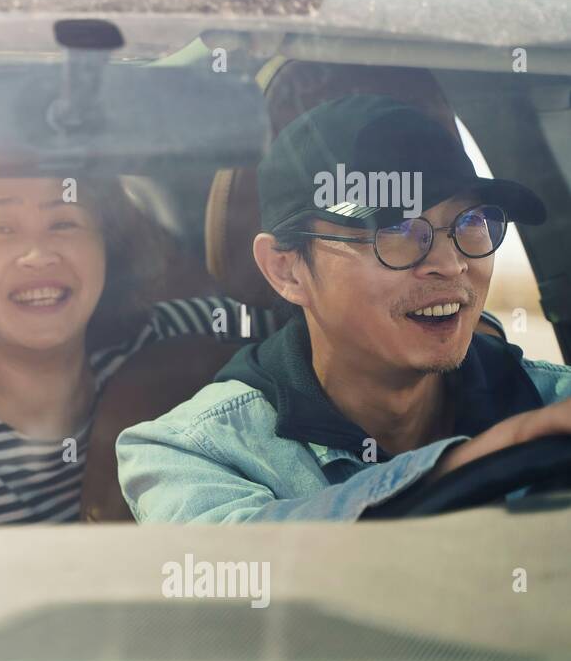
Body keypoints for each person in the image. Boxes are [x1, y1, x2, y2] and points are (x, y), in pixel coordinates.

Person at [117, 94, 571, 523]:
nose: (451, 265)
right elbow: (249, 558)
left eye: (471, 221)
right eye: (396, 229)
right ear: (286, 269)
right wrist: (481, 460)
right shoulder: (192, 452)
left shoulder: (555, 402)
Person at [0, 175, 274, 529]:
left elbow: (302, 325)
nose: (38, 255)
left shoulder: (168, 338)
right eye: (1, 229)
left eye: (64, 223)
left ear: (108, 246)